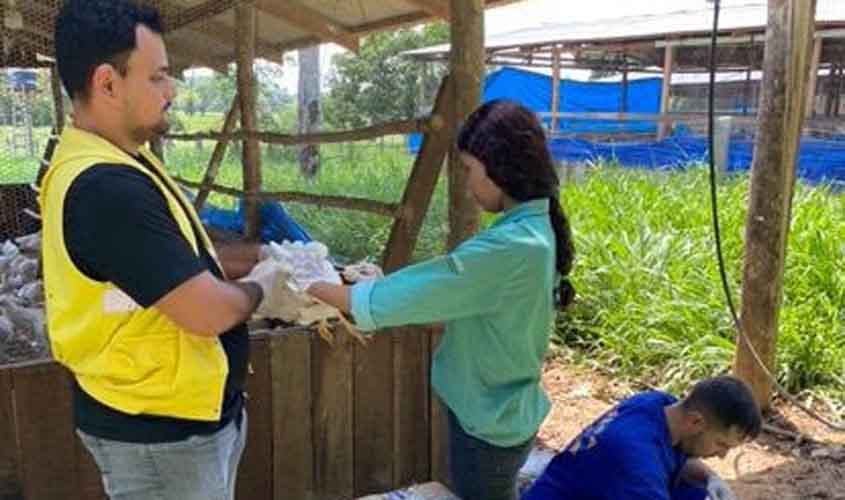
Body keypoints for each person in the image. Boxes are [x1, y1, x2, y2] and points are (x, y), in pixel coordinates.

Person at [41, 1, 290, 499]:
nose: (171, 90)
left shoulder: (119, 162)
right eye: (158, 77)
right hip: (160, 434)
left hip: (170, 418)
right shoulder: (107, 188)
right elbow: (205, 311)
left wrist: (262, 256)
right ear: (108, 83)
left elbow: (180, 262)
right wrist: (263, 290)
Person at [308, 99, 576, 500]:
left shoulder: (511, 247)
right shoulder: (535, 231)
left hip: (487, 424)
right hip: (501, 411)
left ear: (501, 167)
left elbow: (425, 288)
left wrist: (304, 283)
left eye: (469, 170)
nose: (467, 186)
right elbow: (461, 297)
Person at [522, 376, 762, 500]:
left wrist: (711, 478)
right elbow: (644, 466)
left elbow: (674, 454)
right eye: (721, 444)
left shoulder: (658, 404)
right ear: (696, 422)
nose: (721, 455)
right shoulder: (637, 465)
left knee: (695, 493)